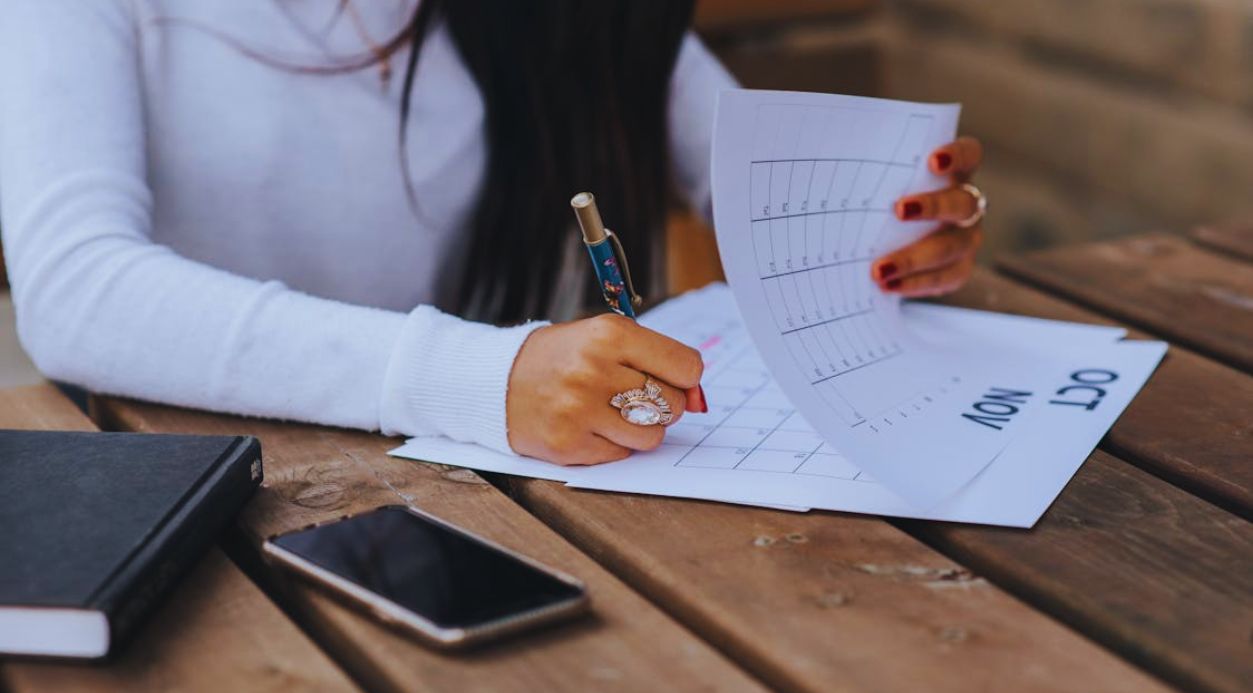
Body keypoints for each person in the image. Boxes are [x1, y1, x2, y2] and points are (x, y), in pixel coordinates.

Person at [0, 1, 986, 466]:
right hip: (200, 498)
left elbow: (750, 187)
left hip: (502, 496)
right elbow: (77, 289)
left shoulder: (575, 17)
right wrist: (482, 375)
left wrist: (880, 232)